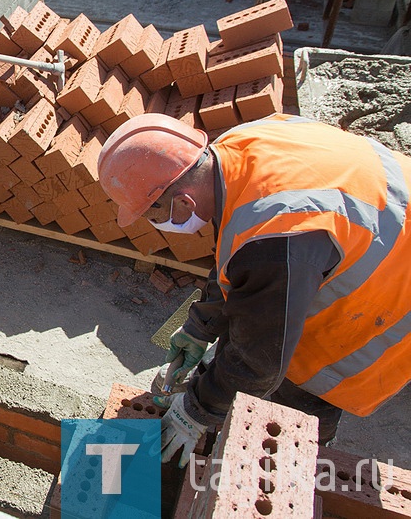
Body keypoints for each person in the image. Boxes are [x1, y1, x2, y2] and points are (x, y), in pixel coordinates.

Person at [97, 112, 411, 467]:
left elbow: (260, 359)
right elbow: (240, 246)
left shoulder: (278, 238)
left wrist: (197, 412)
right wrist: (201, 328)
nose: (157, 225)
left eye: (153, 216)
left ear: (184, 202)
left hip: (391, 289)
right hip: (380, 224)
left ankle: (291, 467)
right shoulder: (242, 145)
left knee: (295, 398)